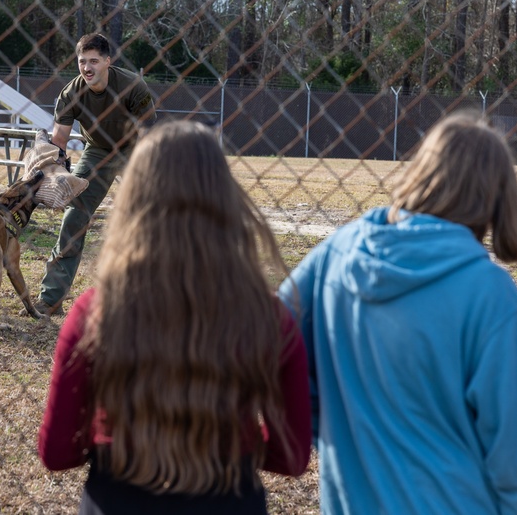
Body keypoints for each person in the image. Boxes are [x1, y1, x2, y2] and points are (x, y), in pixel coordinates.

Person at [278, 112, 517, 514]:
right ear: (495, 198)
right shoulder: (490, 293)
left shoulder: (334, 255)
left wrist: (333, 428)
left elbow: (274, 345)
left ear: (420, 171)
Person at [38, 120, 312, 514]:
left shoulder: (95, 312)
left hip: (118, 496)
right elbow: (292, 456)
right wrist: (237, 444)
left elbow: (58, 453)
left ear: (135, 199)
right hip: (229, 495)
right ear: (224, 200)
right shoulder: (267, 315)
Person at [32, 33, 157, 317]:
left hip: (134, 150)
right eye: (82, 61)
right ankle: (51, 298)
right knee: (74, 216)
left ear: (108, 62)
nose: (87, 68)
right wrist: (60, 179)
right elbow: (59, 142)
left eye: (94, 61)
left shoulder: (132, 86)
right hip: (97, 150)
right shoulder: (71, 93)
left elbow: (149, 137)